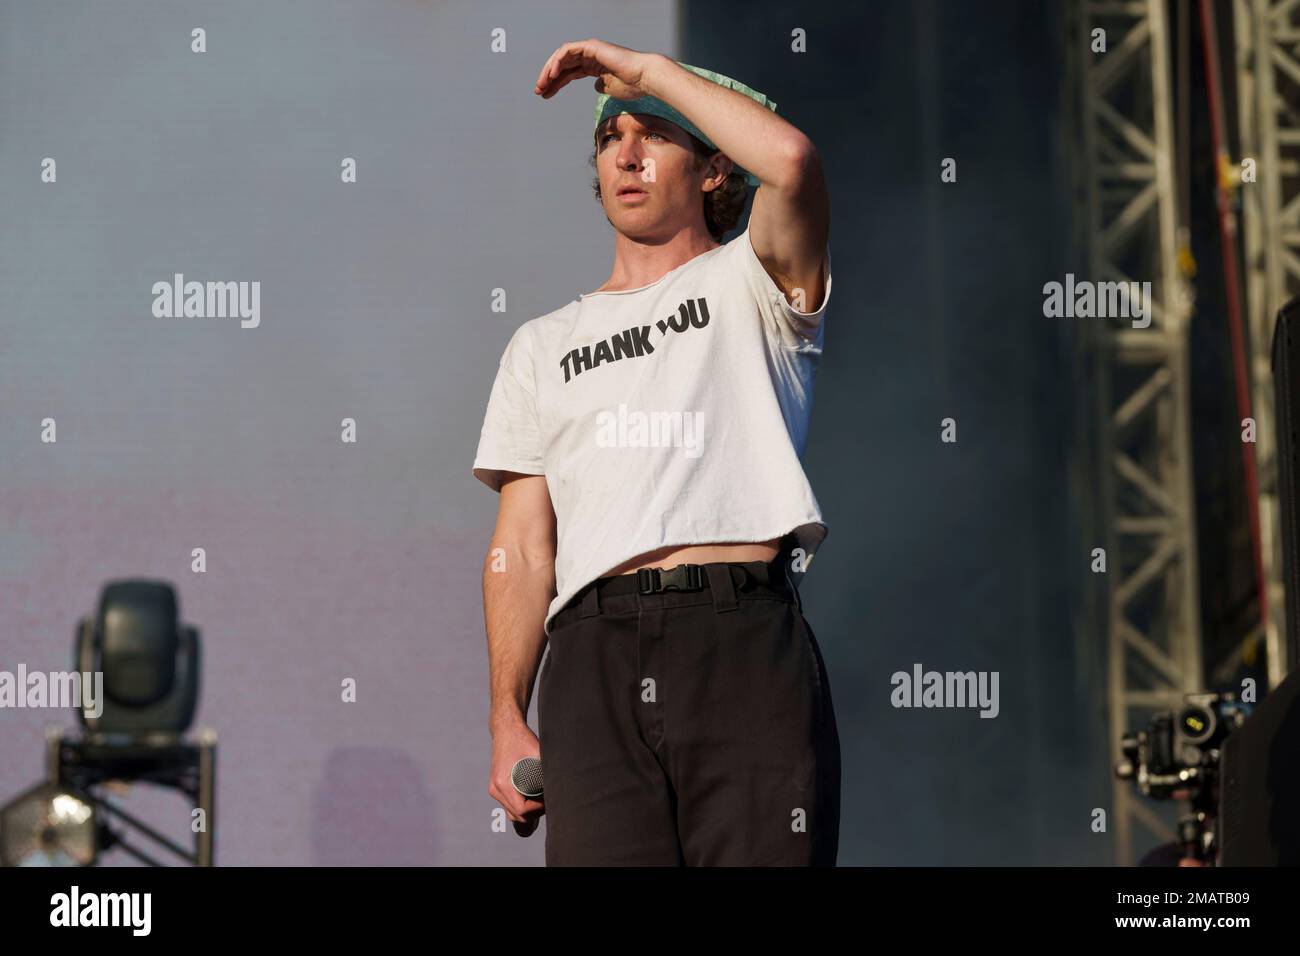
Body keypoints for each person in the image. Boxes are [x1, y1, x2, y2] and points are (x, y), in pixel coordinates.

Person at [474, 38, 839, 865]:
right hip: (591, 658)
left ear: (713, 170)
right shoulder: (540, 344)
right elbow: (523, 550)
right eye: (610, 138)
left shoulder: (755, 279)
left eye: (655, 134)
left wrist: (646, 72)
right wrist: (506, 717)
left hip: (737, 636)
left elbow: (791, 162)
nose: (626, 155)